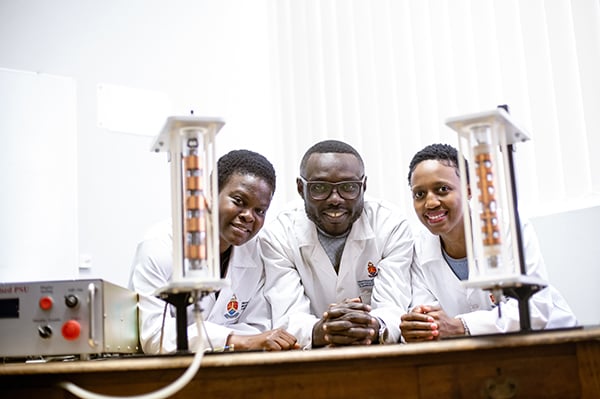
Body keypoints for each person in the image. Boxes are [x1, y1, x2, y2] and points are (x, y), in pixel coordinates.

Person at [400, 143, 577, 342]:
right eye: (419, 194)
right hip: (479, 355)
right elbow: (426, 316)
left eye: (442, 189)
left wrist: (460, 326)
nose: (430, 203)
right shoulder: (418, 248)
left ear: (468, 190)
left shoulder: (508, 227)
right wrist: (420, 326)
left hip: (551, 342)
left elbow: (534, 309)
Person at [128, 149, 298, 353]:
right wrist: (235, 339)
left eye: (259, 210)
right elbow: (155, 335)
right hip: (168, 375)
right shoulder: (159, 246)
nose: (249, 216)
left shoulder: (257, 252)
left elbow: (258, 327)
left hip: (229, 369)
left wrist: (233, 339)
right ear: (208, 196)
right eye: (238, 201)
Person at [260, 139, 413, 348]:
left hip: (379, 356)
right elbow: (287, 315)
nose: (335, 199)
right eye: (320, 187)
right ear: (300, 188)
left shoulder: (391, 225)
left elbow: (394, 306)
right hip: (309, 362)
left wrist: (372, 325)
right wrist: (324, 330)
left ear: (364, 186)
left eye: (349, 187)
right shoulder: (278, 235)